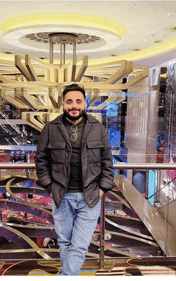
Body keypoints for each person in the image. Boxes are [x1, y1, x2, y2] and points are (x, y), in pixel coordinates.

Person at [35, 83, 114, 275]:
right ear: (62, 104)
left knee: (79, 246)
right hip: (61, 195)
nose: (74, 106)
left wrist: (102, 189)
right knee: (64, 243)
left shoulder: (98, 128)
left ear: (85, 103)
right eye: (69, 102)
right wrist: (50, 187)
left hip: (90, 196)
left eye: (78, 101)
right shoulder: (50, 128)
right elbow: (41, 161)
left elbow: (107, 162)